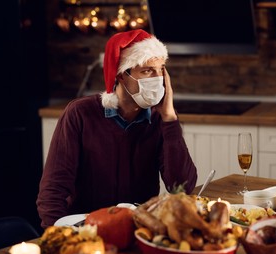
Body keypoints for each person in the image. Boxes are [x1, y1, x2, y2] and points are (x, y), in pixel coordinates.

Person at [37, 29, 197, 228]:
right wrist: (55, 237)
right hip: (86, 229)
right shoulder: (80, 113)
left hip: (138, 229)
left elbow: (182, 190)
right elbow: (53, 190)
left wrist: (170, 119)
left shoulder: (160, 118)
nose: (158, 79)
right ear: (121, 75)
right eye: (147, 71)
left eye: (161, 70)